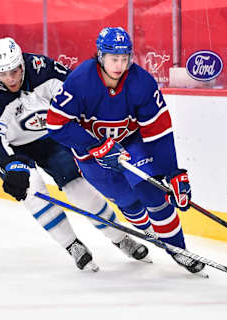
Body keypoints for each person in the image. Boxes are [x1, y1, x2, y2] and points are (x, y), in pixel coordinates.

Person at [0, 37, 150, 272]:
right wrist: (8, 165)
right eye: (3, 74)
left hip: (48, 137)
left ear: (22, 63)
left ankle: (120, 237)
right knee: (34, 191)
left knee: (78, 186)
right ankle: (72, 245)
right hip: (13, 148)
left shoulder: (42, 69)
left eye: (15, 71)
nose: (11, 79)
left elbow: (79, 92)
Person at [46, 27, 205, 274]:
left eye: (124, 58)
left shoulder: (141, 82)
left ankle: (178, 250)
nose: (120, 65)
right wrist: (94, 145)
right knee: (129, 204)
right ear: (101, 56)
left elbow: (159, 131)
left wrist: (172, 172)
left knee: (152, 194)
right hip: (91, 157)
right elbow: (56, 125)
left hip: (131, 144)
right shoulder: (80, 81)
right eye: (114, 58)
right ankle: (154, 233)